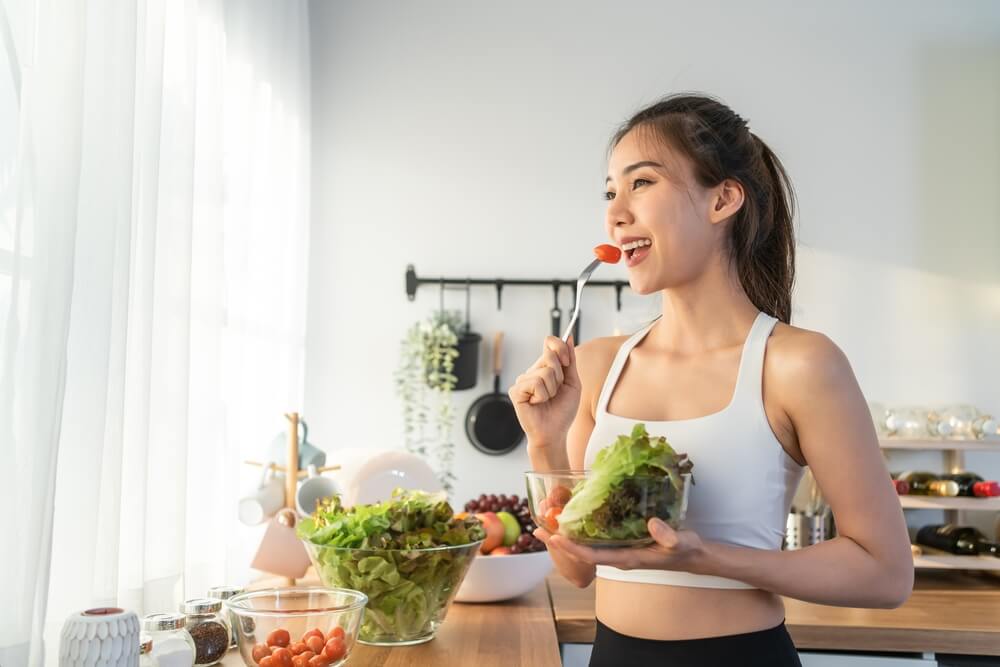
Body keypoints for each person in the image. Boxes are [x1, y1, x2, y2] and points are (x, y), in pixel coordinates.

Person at [509, 94, 913, 667]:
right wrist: (545, 440)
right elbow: (577, 567)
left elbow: (885, 573)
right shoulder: (598, 365)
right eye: (609, 192)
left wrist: (705, 558)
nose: (615, 213)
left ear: (722, 198)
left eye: (641, 183)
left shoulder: (797, 364)